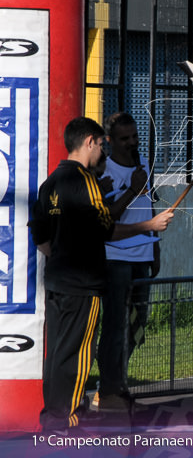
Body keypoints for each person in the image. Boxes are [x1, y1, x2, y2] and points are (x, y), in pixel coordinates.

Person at [29, 117, 173, 430]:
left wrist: (64, 255)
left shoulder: (49, 183)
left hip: (56, 280)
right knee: (79, 353)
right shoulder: (87, 182)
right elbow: (106, 229)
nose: (102, 156)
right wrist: (149, 226)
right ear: (94, 141)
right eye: (102, 146)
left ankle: (52, 417)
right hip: (82, 284)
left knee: (57, 352)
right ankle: (65, 420)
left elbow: (40, 236)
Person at [95, 112, 159, 412]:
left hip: (142, 256)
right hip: (116, 257)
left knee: (137, 327)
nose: (131, 143)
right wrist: (132, 188)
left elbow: (149, 209)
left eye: (134, 137)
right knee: (115, 326)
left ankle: (117, 382)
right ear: (109, 141)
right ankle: (108, 388)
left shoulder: (144, 165)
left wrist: (155, 250)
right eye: (124, 139)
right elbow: (107, 218)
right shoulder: (103, 170)